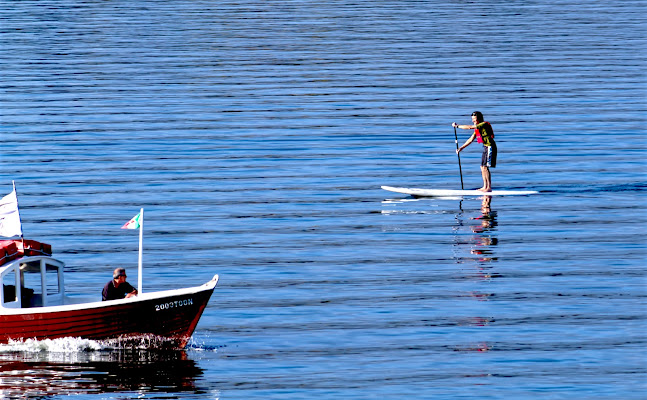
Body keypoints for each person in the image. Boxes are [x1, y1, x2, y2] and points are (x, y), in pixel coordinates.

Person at [453, 111, 497, 192]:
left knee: (485, 167)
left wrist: (457, 126)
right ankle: (485, 186)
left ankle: (488, 187)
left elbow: (470, 127)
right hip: (485, 147)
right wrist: (461, 148)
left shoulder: (484, 124)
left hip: (490, 147)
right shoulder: (477, 128)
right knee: (482, 167)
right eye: (472, 119)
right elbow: (471, 139)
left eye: (475, 119)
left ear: (479, 119)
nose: (473, 121)